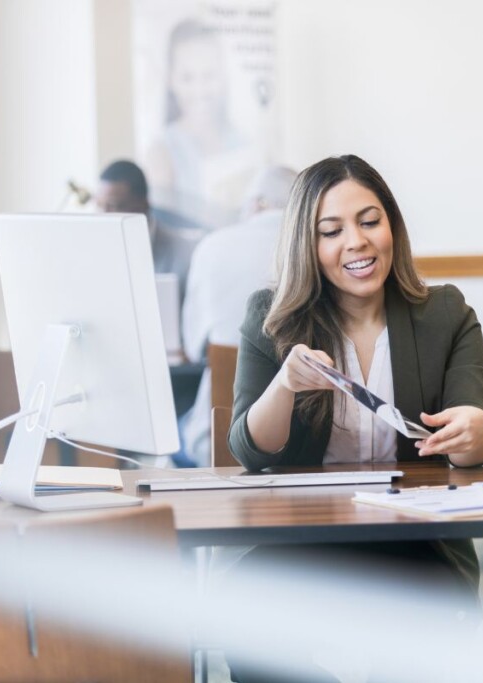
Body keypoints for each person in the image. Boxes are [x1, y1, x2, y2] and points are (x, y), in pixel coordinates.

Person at [226, 155, 483, 682]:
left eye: (370, 221)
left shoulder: (445, 314)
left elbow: (474, 441)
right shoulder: (269, 317)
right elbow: (250, 450)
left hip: (415, 543)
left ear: (391, 225)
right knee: (248, 621)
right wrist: (284, 385)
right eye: (332, 231)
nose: (356, 241)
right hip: (306, 540)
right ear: (309, 244)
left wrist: (475, 432)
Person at [176, 166, 297, 466]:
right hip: (297, 440)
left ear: (256, 202)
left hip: (214, 436)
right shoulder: (311, 245)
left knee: (175, 431)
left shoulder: (212, 246)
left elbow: (192, 348)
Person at [144, 18, 253, 228]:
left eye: (209, 75)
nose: (200, 89)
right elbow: (165, 230)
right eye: (187, 77)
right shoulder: (162, 151)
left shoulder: (242, 140)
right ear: (170, 80)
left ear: (223, 76)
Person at [95, 159, 201, 302]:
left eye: (112, 206)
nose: (103, 216)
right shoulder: (97, 252)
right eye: (100, 206)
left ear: (142, 206)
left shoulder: (185, 256)